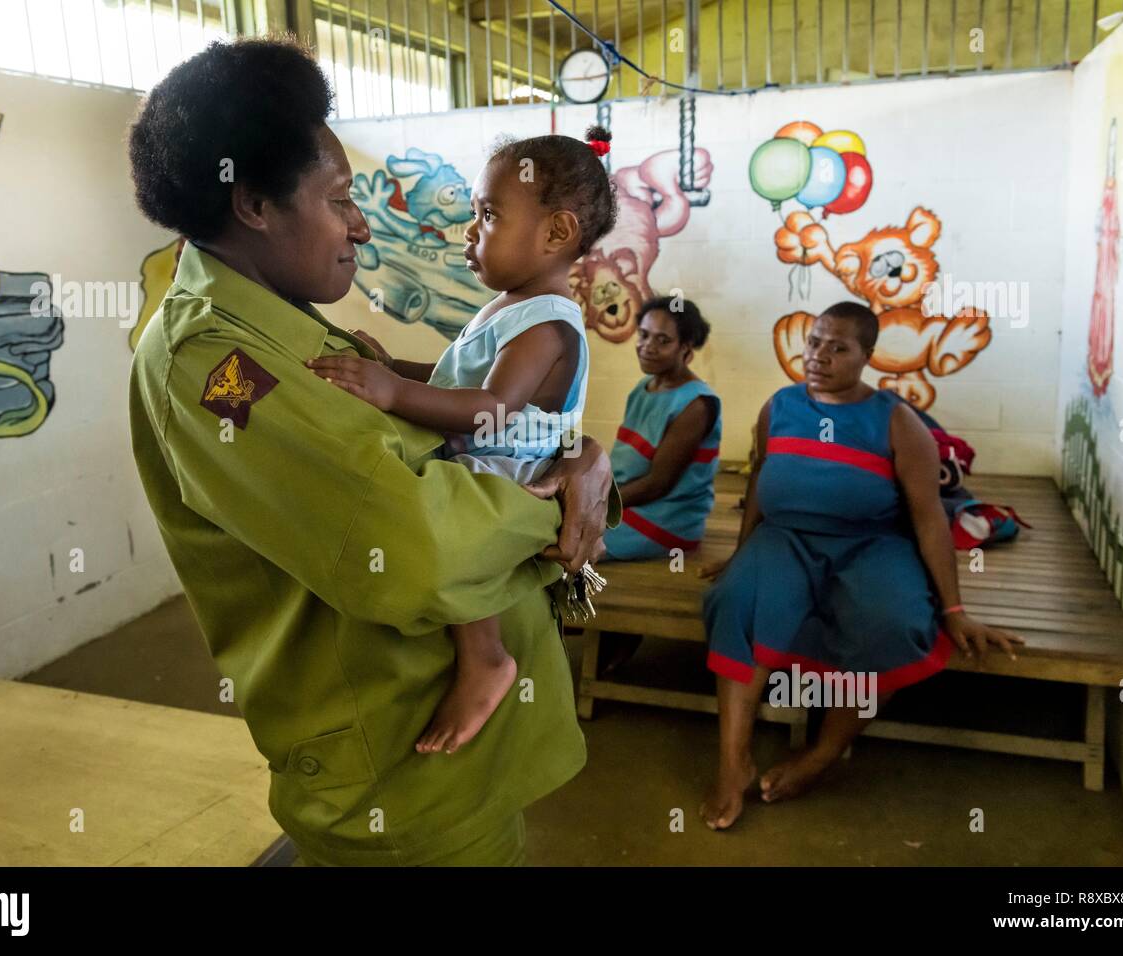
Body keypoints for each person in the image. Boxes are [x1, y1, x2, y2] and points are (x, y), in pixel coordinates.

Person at [126, 37, 618, 866]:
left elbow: (442, 434)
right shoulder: (219, 368)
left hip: (453, 760)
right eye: (340, 197)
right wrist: (561, 502)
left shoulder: (277, 320)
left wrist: (583, 453)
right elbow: (418, 548)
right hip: (403, 779)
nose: (359, 223)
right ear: (253, 205)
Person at [308, 126, 618, 756]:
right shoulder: (512, 306)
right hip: (493, 448)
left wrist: (393, 393)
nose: (470, 232)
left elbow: (489, 409)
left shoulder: (544, 322)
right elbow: (459, 382)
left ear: (556, 233)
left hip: (509, 466)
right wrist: (395, 369)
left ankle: (486, 658)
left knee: (453, 523)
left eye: (488, 215)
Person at [697, 301, 1023, 831]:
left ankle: (821, 756)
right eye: (815, 342)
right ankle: (733, 761)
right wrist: (741, 553)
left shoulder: (897, 422)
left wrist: (956, 609)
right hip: (785, 538)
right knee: (738, 601)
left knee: (889, 623)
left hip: (870, 542)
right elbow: (760, 481)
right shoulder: (778, 407)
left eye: (838, 347)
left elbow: (929, 519)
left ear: (868, 356)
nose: (819, 356)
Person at [600, 295, 720, 560]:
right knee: (547, 522)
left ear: (686, 350)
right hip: (626, 500)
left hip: (662, 518)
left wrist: (594, 503)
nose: (647, 347)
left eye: (663, 341)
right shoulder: (643, 388)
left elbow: (657, 485)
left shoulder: (696, 404)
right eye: (643, 335)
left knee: (560, 539)